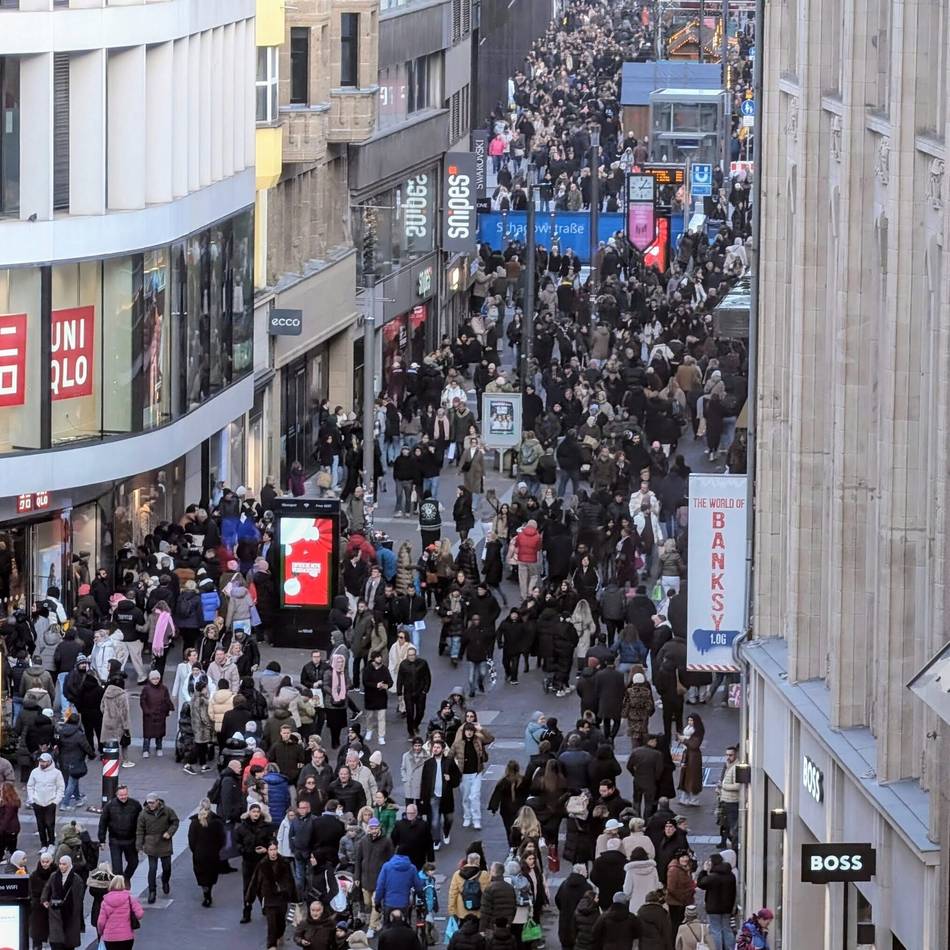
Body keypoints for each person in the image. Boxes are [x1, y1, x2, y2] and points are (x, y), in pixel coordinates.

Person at [245, 841, 298, 950]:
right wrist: (249, 898)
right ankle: (271, 945)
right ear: (267, 851)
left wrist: (294, 898)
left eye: (275, 849)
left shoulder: (284, 863)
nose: (273, 852)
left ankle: (280, 935)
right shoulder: (262, 864)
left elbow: (291, 880)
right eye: (271, 850)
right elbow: (255, 881)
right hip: (269, 897)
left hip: (282, 897)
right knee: (271, 924)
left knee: (281, 921)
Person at [135, 792, 179, 904]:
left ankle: (165, 881)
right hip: (151, 844)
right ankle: (152, 891)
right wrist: (139, 846)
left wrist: (169, 833)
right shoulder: (143, 814)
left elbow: (175, 822)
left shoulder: (167, 811)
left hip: (165, 842)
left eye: (152, 802)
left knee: (167, 867)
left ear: (157, 801)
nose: (151, 805)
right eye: (149, 802)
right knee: (152, 869)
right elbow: (140, 831)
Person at [354, 816, 394, 938]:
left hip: (379, 879)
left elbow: (390, 860)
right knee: (367, 903)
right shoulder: (363, 841)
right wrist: (357, 877)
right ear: (368, 828)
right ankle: (378, 917)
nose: (374, 830)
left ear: (379, 828)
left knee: (374, 904)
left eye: (375, 827)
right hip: (365, 879)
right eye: (371, 828)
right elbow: (358, 860)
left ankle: (371, 927)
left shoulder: (386, 841)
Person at [420, 738, 461, 849]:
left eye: (438, 747)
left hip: (446, 795)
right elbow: (424, 781)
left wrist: (450, 779)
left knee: (449, 818)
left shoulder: (449, 762)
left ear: (443, 749)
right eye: (434, 747)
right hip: (433, 795)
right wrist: (423, 797)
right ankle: (436, 840)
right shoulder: (428, 763)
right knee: (434, 820)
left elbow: (457, 777)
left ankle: (446, 832)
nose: (436, 749)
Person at [97, 785, 142, 884]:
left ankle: (126, 878)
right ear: (116, 795)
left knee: (134, 863)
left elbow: (141, 822)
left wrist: (141, 840)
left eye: (125, 794)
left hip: (131, 840)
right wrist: (102, 839)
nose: (123, 797)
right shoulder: (109, 806)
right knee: (117, 868)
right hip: (115, 841)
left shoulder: (135, 805)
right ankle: (119, 886)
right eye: (121, 795)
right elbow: (103, 823)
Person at [188, 797, 227, 907]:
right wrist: (218, 849)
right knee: (211, 874)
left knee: (201, 873)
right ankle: (208, 891)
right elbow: (222, 839)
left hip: (199, 853)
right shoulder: (217, 822)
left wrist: (195, 850)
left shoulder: (195, 822)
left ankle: (206, 893)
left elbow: (191, 839)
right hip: (213, 853)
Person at [42, 854, 86, 950]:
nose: (61, 866)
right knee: (56, 943)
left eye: (64, 864)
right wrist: (44, 900)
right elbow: (47, 888)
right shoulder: (54, 876)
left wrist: (75, 913)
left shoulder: (76, 879)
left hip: (70, 914)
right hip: (55, 912)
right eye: (60, 864)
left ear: (69, 865)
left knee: (69, 943)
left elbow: (79, 898)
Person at [96, 875, 144, 950]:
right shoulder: (129, 898)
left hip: (110, 937)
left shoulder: (105, 901)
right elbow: (140, 914)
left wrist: (100, 932)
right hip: (126, 936)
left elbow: (100, 922)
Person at [27, 753, 64, 848]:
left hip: (50, 802)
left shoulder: (57, 773)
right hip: (37, 802)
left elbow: (61, 787)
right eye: (40, 761)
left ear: (49, 761)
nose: (42, 763)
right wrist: (32, 798)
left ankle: (51, 843)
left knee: (50, 824)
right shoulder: (35, 772)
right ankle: (43, 844)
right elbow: (30, 786)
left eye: (44, 761)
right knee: (40, 825)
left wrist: (56, 801)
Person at [374, 846, 419, 921]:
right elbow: (418, 886)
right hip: (404, 903)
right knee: (404, 926)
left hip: (388, 903)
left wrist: (377, 902)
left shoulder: (386, 866)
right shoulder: (412, 868)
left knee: (387, 927)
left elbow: (380, 886)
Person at [139, 670, 174, 758]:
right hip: (149, 716)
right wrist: (146, 711)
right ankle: (145, 749)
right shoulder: (146, 689)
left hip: (160, 714)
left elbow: (167, 699)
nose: (155, 680)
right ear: (150, 679)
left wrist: (170, 708)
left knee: (160, 734)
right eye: (153, 679)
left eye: (157, 678)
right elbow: (142, 701)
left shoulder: (164, 688)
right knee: (147, 734)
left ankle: (159, 748)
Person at [362, 650, 393, 745]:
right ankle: (369, 729)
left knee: (381, 717)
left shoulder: (384, 669)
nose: (379, 658)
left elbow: (390, 682)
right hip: (370, 697)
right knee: (369, 716)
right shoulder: (367, 669)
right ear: (373, 658)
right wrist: (376, 685)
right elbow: (365, 682)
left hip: (381, 697)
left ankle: (381, 736)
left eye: (380, 657)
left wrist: (386, 686)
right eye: (377, 657)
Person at [676, 714, 705, 807]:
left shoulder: (698, 732)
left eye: (691, 720)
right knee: (685, 776)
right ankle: (685, 797)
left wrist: (683, 740)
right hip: (688, 754)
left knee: (692, 777)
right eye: (689, 720)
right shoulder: (689, 729)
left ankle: (693, 798)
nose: (689, 722)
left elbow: (694, 745)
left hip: (693, 757)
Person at [29, 850, 56, 950]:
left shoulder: (56, 874)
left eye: (47, 862)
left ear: (51, 862)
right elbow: (31, 892)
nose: (44, 864)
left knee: (55, 938)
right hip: (38, 910)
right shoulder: (34, 876)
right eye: (43, 862)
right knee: (37, 938)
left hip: (53, 908)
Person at [0, 781, 21, 859]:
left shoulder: (9, 805)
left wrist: (1, 830)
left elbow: (6, 819)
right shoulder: (12, 802)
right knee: (12, 847)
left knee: (5, 845)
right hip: (13, 828)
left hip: (9, 829)